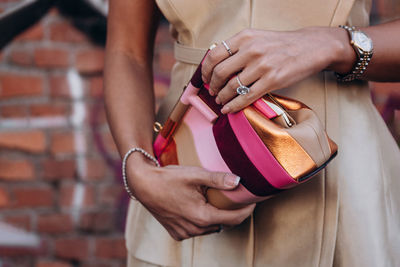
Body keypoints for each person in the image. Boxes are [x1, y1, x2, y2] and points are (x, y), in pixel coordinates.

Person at [104, 0, 400, 266]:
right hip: (183, 172)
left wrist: (334, 44)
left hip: (342, 181)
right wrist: (138, 170)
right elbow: (126, 51)